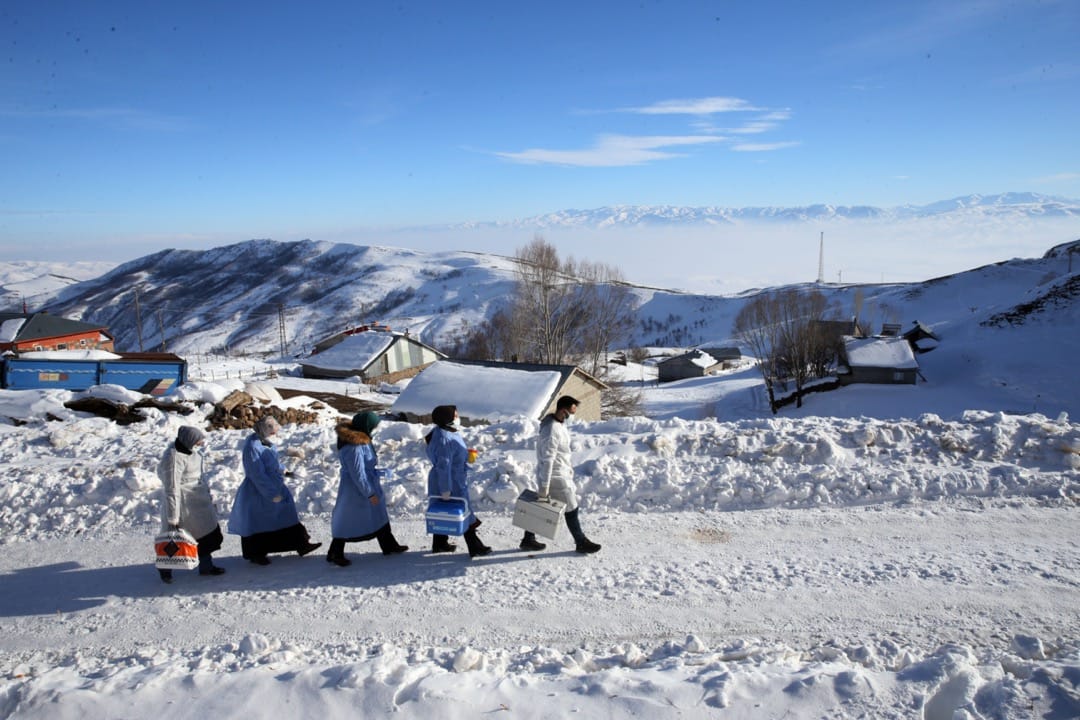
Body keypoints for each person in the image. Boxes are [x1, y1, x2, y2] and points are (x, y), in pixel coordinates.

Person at [228, 416, 321, 565]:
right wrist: (271, 494)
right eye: (270, 430)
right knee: (259, 522)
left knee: (287, 515)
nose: (273, 433)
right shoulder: (252, 446)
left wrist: (284, 471)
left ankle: (301, 544)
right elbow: (256, 474)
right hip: (259, 491)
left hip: (274, 486)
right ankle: (255, 553)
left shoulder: (265, 443)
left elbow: (273, 463)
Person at [326, 412, 408, 566]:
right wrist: (369, 493)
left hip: (367, 484)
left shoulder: (363, 439)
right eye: (374, 425)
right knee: (348, 520)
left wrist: (378, 472)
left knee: (379, 515)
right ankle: (335, 552)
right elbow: (357, 473)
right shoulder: (354, 446)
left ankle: (389, 545)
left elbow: (366, 466)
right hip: (355, 490)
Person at [531, 395, 601, 554]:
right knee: (572, 508)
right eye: (572, 412)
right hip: (556, 476)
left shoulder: (557, 424)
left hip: (560, 472)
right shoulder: (552, 429)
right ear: (563, 411)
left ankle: (528, 539)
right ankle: (581, 542)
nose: (573, 416)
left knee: (543, 507)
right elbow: (548, 459)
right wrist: (544, 486)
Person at [156, 425, 225, 583]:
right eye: (198, 441)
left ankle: (206, 566)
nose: (200, 445)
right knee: (176, 540)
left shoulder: (192, 451)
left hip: (198, 501)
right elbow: (171, 489)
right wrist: (173, 518)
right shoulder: (173, 459)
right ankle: (165, 569)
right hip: (183, 504)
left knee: (206, 537)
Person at [424, 404, 491, 557]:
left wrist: (465, 455)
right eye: (455, 415)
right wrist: (445, 489)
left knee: (443, 511)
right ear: (447, 419)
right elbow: (443, 466)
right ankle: (475, 547)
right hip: (450, 481)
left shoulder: (448, 431)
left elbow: (451, 455)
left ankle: (440, 544)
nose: (458, 418)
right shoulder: (444, 439)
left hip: (454, 477)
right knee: (464, 511)